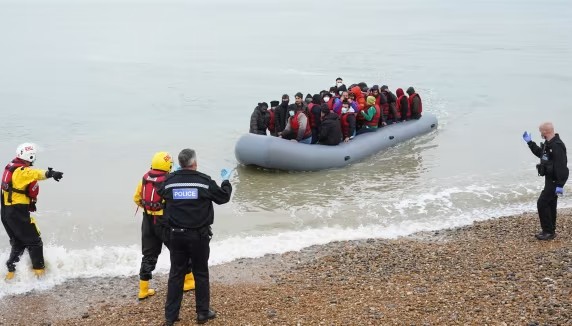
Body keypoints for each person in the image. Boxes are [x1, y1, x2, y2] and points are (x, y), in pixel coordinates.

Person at [159, 149, 232, 325]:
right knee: (200, 273)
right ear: (195, 163)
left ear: (180, 163)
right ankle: (202, 313)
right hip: (198, 236)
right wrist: (226, 181)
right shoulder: (204, 182)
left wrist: (175, 176)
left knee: (176, 274)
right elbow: (223, 198)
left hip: (176, 236)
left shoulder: (169, 182)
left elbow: (160, 192)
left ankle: (171, 316)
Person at [133, 152, 194, 300]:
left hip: (147, 221)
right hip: (165, 222)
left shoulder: (144, 178)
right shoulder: (169, 180)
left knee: (149, 254)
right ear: (169, 165)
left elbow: (136, 199)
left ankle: (143, 289)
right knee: (179, 251)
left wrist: (149, 208)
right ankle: (189, 281)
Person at [1, 143, 63, 280]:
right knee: (35, 242)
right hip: (17, 213)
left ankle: (10, 276)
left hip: (6, 213)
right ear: (30, 156)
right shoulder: (22, 171)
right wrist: (51, 173)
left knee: (19, 243)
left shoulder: (11, 167)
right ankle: (40, 278)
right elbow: (36, 173)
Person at [523, 123, 569, 240]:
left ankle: (548, 231)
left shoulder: (557, 146)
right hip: (549, 179)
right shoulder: (548, 144)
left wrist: (560, 184)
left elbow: (562, 166)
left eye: (540, 132)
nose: (540, 134)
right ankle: (550, 231)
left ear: (545, 132)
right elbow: (540, 153)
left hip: (554, 181)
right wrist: (529, 142)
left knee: (542, 203)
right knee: (550, 204)